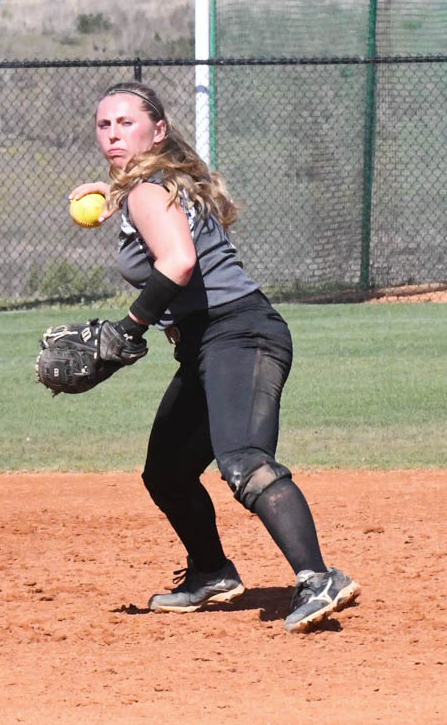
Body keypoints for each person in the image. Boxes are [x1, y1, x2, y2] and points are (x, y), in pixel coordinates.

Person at [69, 81, 360, 633]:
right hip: (209, 343)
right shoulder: (159, 184)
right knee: (169, 472)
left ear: (157, 130)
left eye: (126, 123)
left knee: (243, 460)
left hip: (240, 334)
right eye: (104, 124)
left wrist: (130, 326)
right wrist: (115, 195)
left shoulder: (147, 191)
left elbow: (178, 261)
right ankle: (211, 571)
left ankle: (318, 577)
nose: (112, 134)